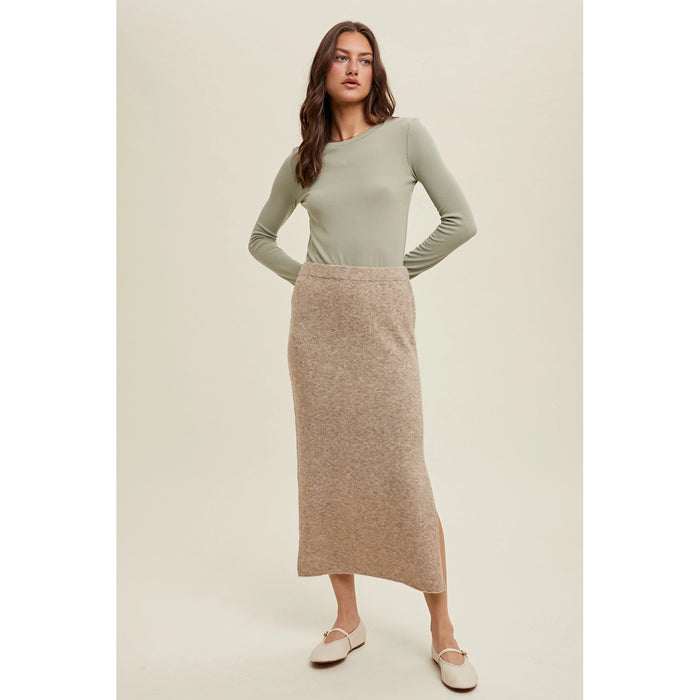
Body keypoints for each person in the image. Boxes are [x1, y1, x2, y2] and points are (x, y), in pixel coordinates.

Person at [248, 21, 479, 691]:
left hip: (383, 319)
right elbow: (261, 237)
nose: (354, 68)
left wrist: (396, 273)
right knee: (328, 473)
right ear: (324, 71)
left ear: (375, 73)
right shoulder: (305, 160)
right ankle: (347, 619)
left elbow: (460, 221)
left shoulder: (407, 137)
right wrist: (310, 281)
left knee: (404, 471)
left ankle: (444, 630)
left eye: (366, 59)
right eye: (342, 58)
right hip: (318, 330)